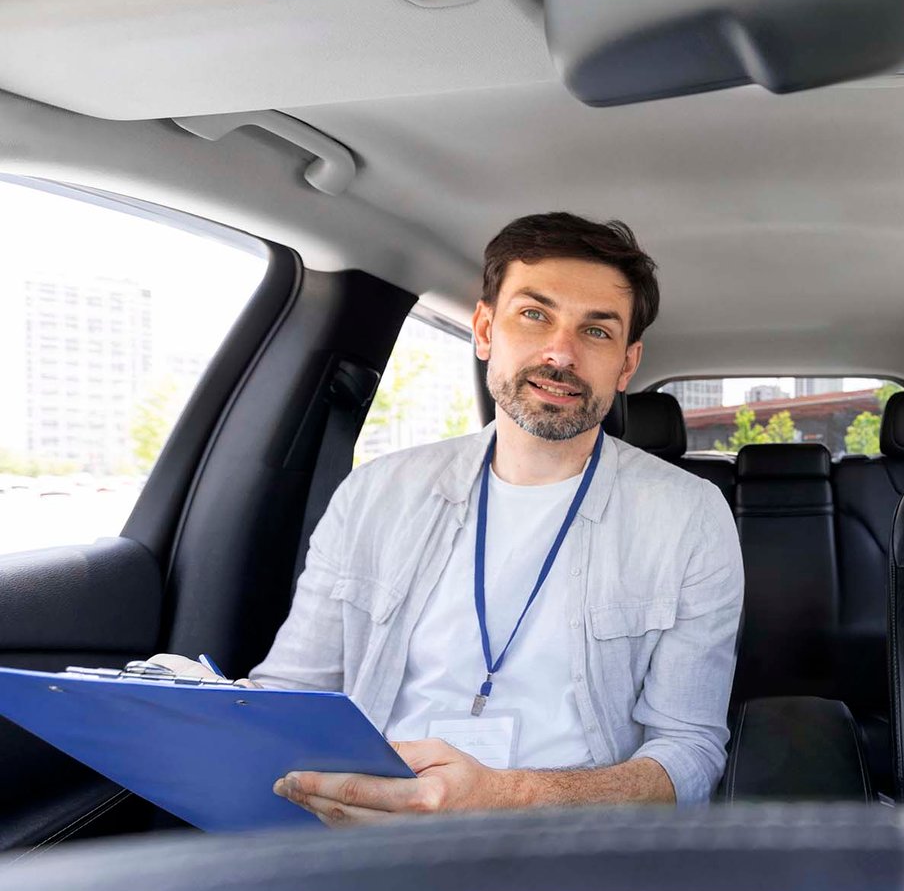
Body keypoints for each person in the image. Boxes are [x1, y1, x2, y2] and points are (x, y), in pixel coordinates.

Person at [181, 212, 742, 824]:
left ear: (626, 365)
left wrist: (509, 796)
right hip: (366, 829)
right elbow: (292, 693)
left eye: (596, 331)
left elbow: (689, 754)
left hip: (571, 841)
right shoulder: (373, 494)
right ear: (484, 329)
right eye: (535, 315)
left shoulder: (689, 516)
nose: (561, 353)